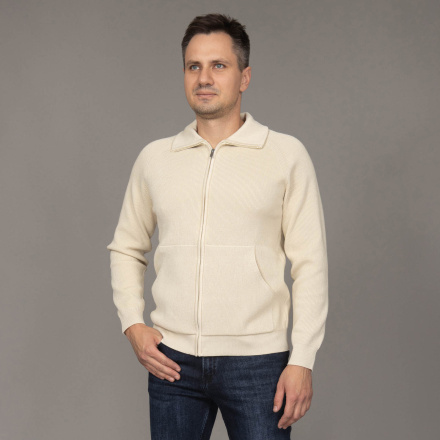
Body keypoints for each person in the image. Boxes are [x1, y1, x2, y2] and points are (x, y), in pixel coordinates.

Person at [106, 12, 328, 440]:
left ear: (244, 77)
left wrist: (302, 359)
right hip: (173, 363)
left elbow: (311, 264)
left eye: (218, 65)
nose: (204, 78)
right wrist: (133, 324)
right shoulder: (156, 158)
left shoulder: (285, 154)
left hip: (258, 363)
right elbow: (127, 247)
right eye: (194, 66)